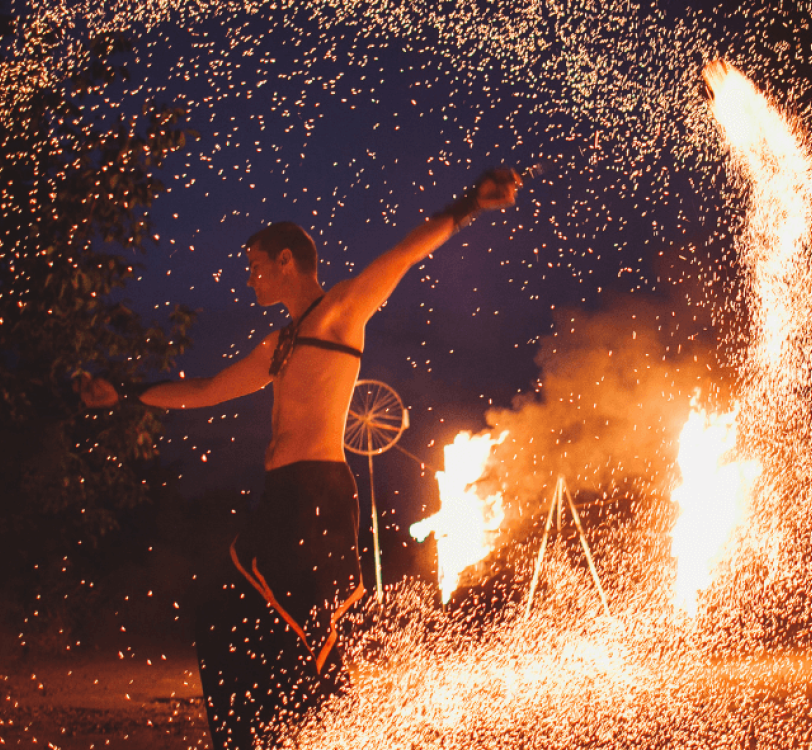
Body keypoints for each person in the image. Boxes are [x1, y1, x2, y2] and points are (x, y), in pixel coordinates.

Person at [78, 169, 521, 749]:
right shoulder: (281, 342)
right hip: (282, 496)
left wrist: (470, 205)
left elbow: (405, 253)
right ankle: (267, 738)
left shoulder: (340, 311)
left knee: (293, 627)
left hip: (317, 492)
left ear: (286, 261)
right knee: (230, 617)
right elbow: (210, 388)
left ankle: (325, 731)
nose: (251, 279)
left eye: (256, 266)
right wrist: (126, 392)